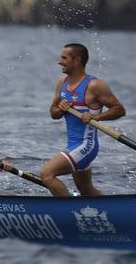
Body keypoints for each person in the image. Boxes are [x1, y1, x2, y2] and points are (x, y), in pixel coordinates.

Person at [45, 42, 126, 197]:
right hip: (72, 145)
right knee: (86, 191)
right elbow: (53, 113)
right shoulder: (62, 82)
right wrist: (61, 109)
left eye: (64, 58)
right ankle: (109, 212)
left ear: (77, 61)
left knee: (47, 174)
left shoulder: (94, 85)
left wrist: (96, 116)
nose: (59, 61)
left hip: (86, 146)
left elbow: (119, 110)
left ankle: (68, 213)